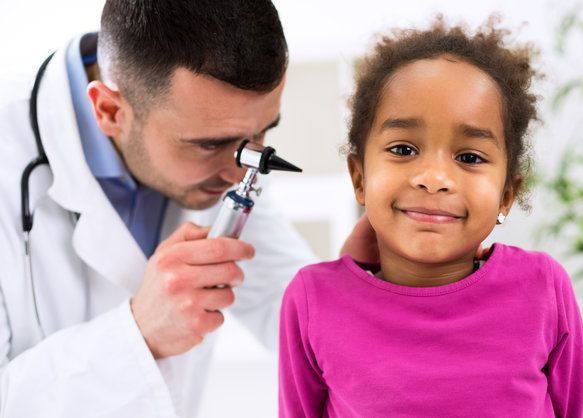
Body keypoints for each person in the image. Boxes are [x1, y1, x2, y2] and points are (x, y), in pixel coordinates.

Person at [0, 1, 377, 416]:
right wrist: (139, 334)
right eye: (210, 144)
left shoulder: (223, 153)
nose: (240, 172)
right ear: (109, 110)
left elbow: (282, 306)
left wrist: (344, 302)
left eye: (261, 132)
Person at [279, 17, 583, 417]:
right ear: (360, 178)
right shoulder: (313, 300)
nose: (434, 180)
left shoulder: (542, 287)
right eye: (403, 149)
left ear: (506, 195)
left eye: (469, 157)